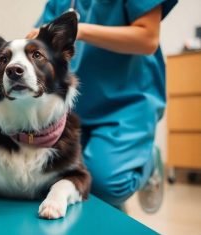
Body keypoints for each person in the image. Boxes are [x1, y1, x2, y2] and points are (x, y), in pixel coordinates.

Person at [27, 0, 177, 212]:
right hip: (75, 107)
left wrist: (79, 30)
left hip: (128, 101)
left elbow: (147, 38)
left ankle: (148, 162)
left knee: (106, 186)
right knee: (55, 179)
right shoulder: (60, 3)